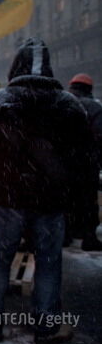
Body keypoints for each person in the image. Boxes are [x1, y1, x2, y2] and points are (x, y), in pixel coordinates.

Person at [0, 38, 94, 344]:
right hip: (51, 201)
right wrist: (82, 205)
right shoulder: (69, 105)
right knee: (48, 261)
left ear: (15, 66)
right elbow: (84, 161)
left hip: (9, 199)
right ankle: (47, 327)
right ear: (49, 67)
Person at [66, 73, 102, 251]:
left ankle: (65, 235)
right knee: (88, 201)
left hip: (63, 162)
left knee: (64, 200)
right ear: (89, 89)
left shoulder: (61, 103)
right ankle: (89, 238)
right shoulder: (95, 107)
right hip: (87, 163)